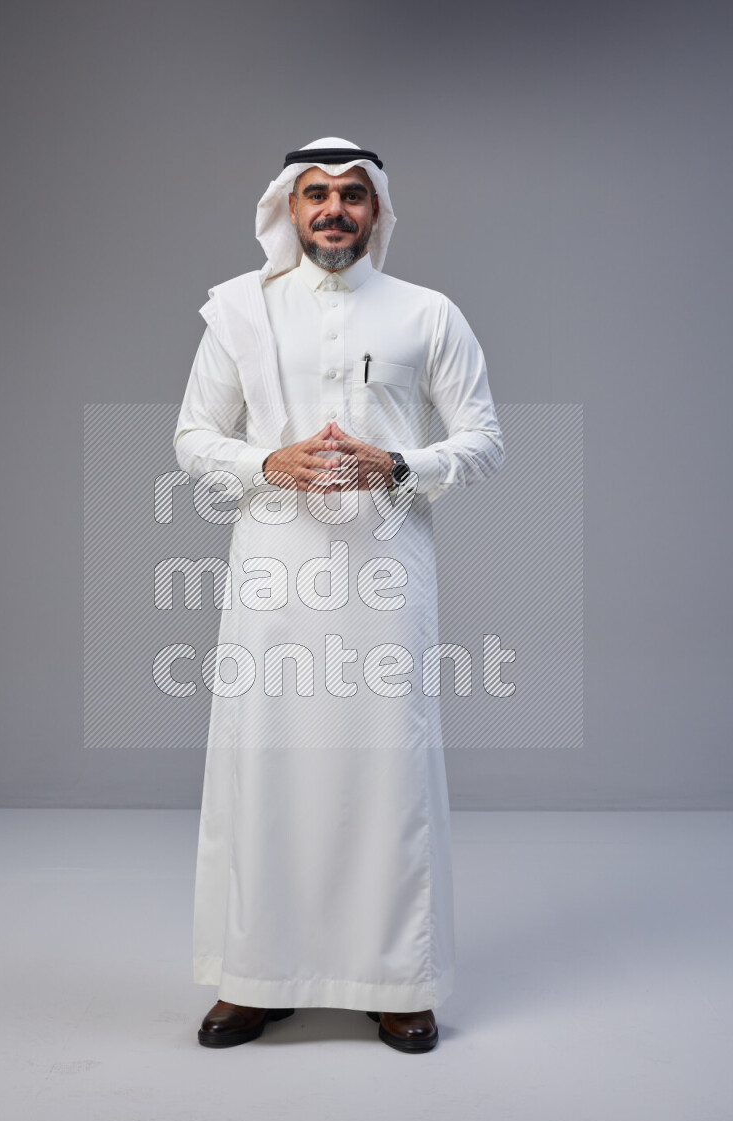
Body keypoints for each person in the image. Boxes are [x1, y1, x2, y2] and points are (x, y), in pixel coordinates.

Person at [173, 137, 504, 1053]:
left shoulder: (426, 313)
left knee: (384, 771)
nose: (332, 210)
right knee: (266, 764)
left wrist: (399, 461)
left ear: (377, 211)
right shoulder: (240, 312)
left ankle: (395, 978)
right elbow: (194, 436)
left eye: (352, 195)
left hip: (385, 578)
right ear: (287, 206)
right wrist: (263, 460)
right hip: (272, 573)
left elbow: (483, 442)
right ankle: (254, 977)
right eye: (315, 194)